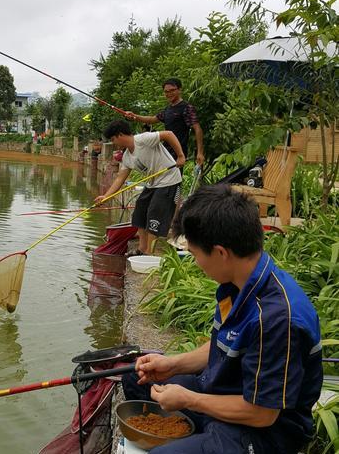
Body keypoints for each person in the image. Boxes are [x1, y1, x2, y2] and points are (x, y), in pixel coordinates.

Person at [122, 184, 323, 454]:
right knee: (136, 379)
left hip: (263, 431)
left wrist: (190, 399)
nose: (195, 263)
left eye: (194, 254)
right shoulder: (239, 282)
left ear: (220, 252)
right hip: (226, 392)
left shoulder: (276, 319)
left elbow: (263, 414)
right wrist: (172, 364)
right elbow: (223, 344)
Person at [95, 120, 185, 255]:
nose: (114, 143)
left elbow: (169, 134)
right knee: (139, 211)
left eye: (113, 139)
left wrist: (180, 156)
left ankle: (149, 252)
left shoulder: (143, 139)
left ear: (120, 135)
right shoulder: (127, 157)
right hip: (153, 183)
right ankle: (142, 248)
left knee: (155, 214)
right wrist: (106, 196)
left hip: (169, 180)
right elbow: (120, 177)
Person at [125, 78, 204, 166]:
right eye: (166, 91)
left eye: (172, 90)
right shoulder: (168, 109)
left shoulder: (186, 108)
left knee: (174, 178)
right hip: (165, 151)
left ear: (179, 90)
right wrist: (134, 116)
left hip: (178, 153)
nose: (169, 94)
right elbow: (152, 119)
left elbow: (197, 129)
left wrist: (200, 152)